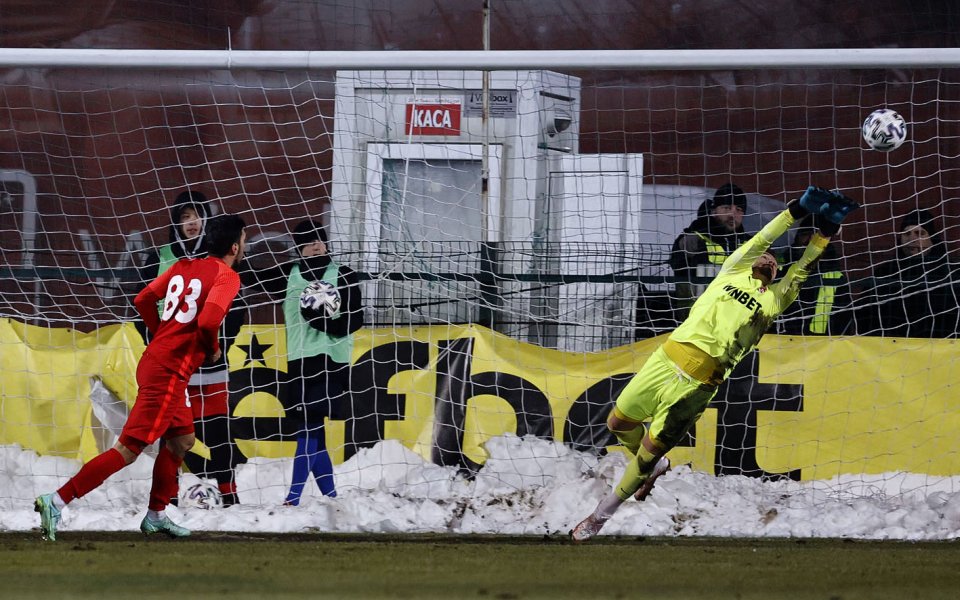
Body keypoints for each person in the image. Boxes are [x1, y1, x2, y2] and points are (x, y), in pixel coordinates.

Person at [571, 186, 859, 542]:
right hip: (667, 357)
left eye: (774, 260)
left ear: (775, 271)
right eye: (765, 255)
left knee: (645, 457)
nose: (769, 257)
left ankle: (600, 517)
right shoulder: (732, 272)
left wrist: (826, 231)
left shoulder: (773, 301)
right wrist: (795, 210)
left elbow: (803, 269)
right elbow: (765, 236)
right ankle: (653, 466)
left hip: (698, 383)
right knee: (618, 421)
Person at [35, 214, 247, 541]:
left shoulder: (182, 266)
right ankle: (57, 500)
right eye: (244, 240)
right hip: (169, 371)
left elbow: (142, 299)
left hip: (158, 361)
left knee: (182, 440)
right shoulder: (227, 276)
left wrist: (160, 331)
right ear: (235, 246)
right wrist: (212, 349)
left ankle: (156, 515)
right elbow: (207, 323)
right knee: (129, 449)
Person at [135, 190, 246, 506]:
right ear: (175, 222)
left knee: (218, 431)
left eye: (197, 215)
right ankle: (167, 496)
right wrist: (157, 339)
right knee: (171, 435)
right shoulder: (160, 257)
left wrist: (220, 345)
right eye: (185, 217)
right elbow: (140, 302)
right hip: (174, 364)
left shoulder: (219, 258)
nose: (192, 223)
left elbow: (235, 310)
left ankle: (229, 494)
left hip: (210, 364)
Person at [248, 219, 363, 505]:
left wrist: (322, 321)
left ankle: (293, 497)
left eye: (319, 240)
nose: (316, 245)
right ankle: (332, 497)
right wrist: (226, 257)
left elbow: (355, 320)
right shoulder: (289, 275)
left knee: (310, 425)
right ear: (299, 248)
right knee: (313, 432)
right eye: (309, 241)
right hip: (299, 364)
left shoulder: (344, 275)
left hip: (331, 362)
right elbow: (253, 277)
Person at [855, 209, 959, 338]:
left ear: (932, 239)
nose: (912, 239)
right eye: (907, 233)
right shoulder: (884, 273)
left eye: (920, 233)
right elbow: (864, 315)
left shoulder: (952, 273)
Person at [669, 183, 750, 301]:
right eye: (726, 208)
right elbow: (677, 262)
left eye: (738, 210)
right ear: (714, 210)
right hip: (697, 313)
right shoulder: (695, 238)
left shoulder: (750, 244)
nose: (732, 215)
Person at [777, 214, 854, 336]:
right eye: (806, 234)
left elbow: (844, 322)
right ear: (798, 236)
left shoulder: (836, 277)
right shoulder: (779, 268)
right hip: (778, 343)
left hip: (821, 349)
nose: (810, 241)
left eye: (818, 237)